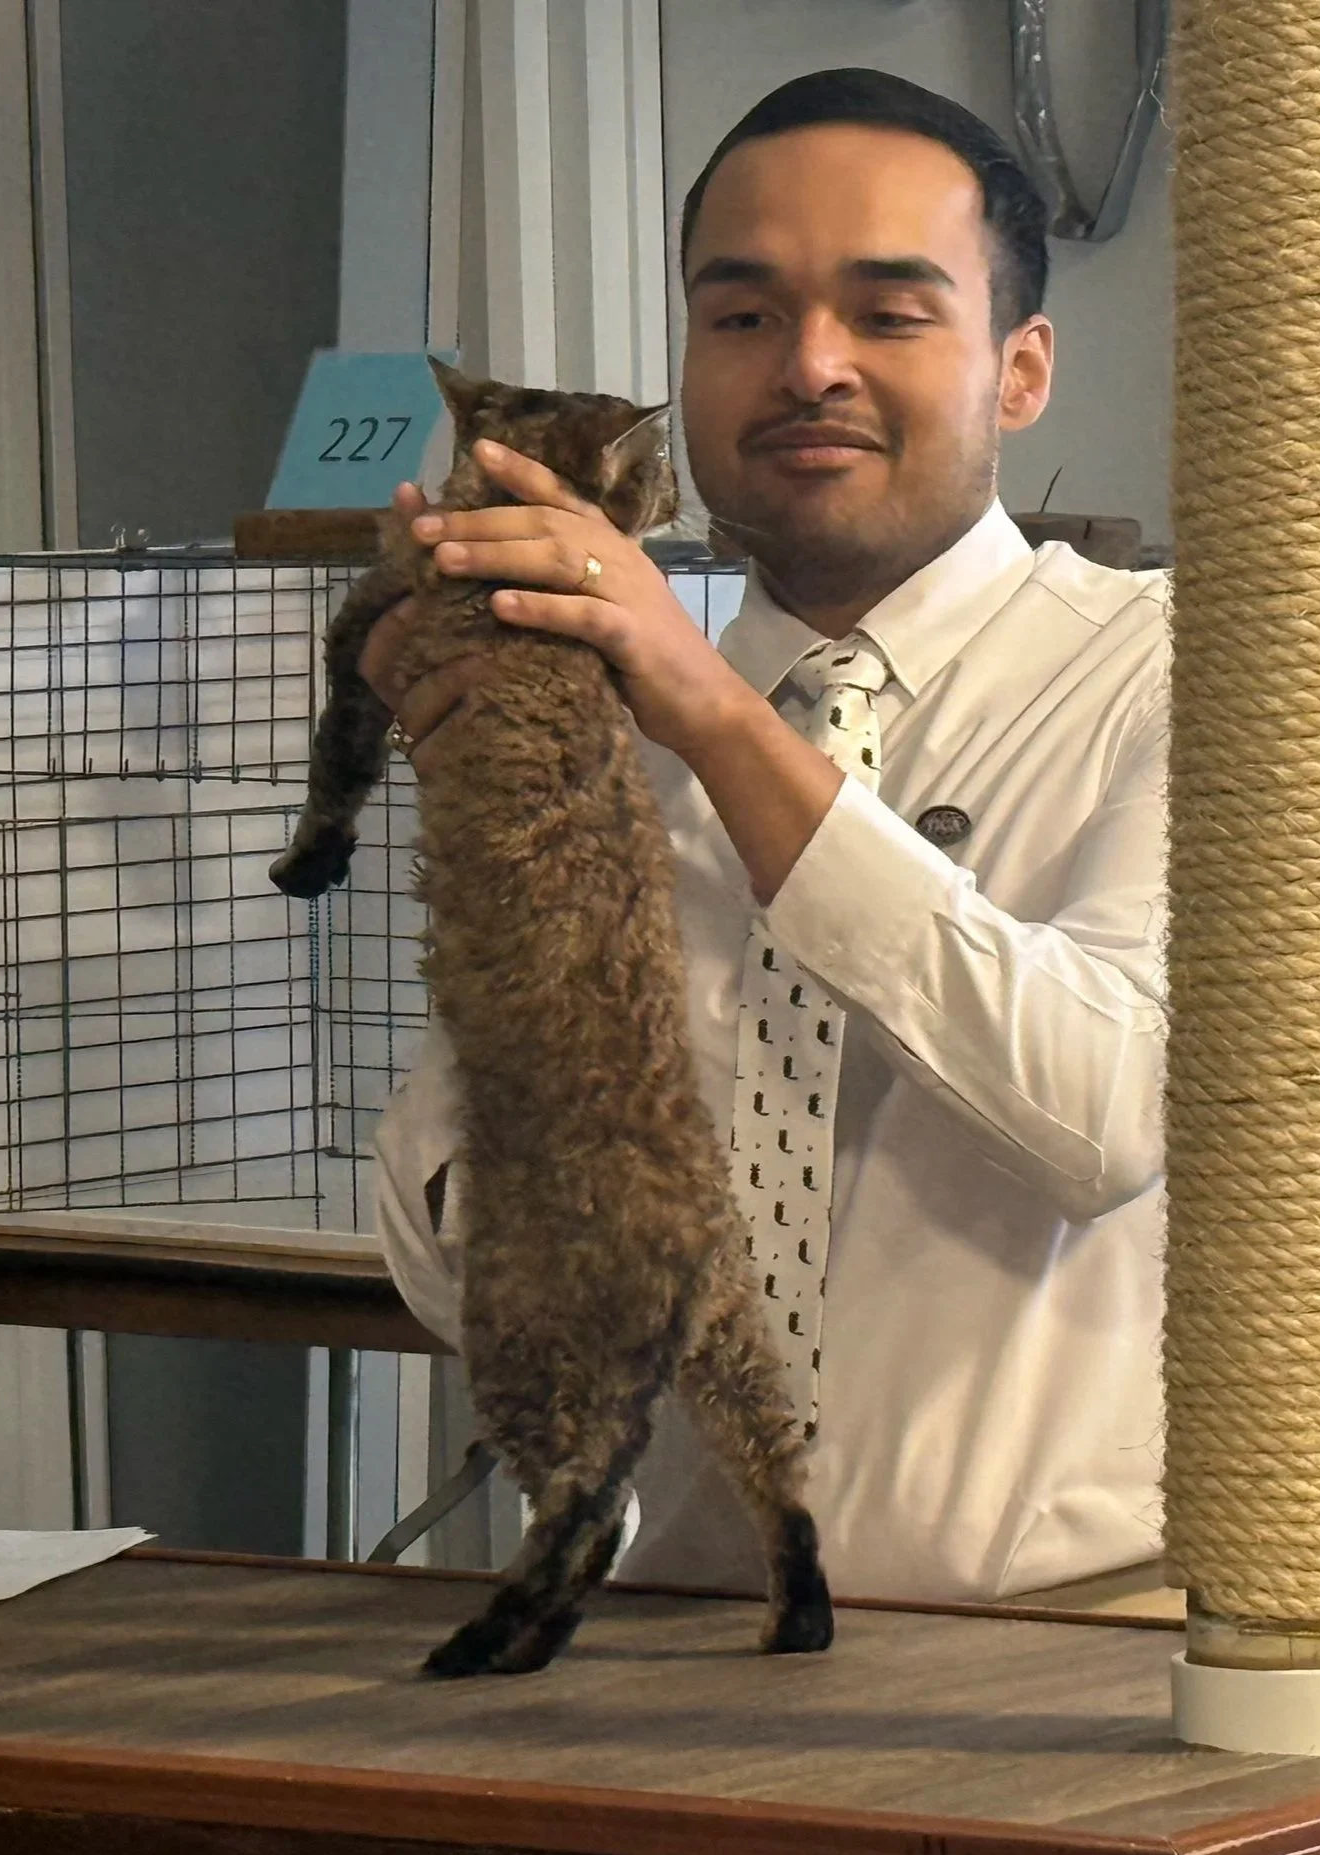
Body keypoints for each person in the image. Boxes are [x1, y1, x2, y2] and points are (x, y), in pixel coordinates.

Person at [362, 68, 1168, 1607]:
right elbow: (443, 1267)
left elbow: (1107, 1115)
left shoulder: (1177, 677)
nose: (809, 366)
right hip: (679, 1646)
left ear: (1019, 368)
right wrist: (487, 809)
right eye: (741, 317)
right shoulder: (604, 727)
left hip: (1091, 1650)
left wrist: (725, 729)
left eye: (888, 311)